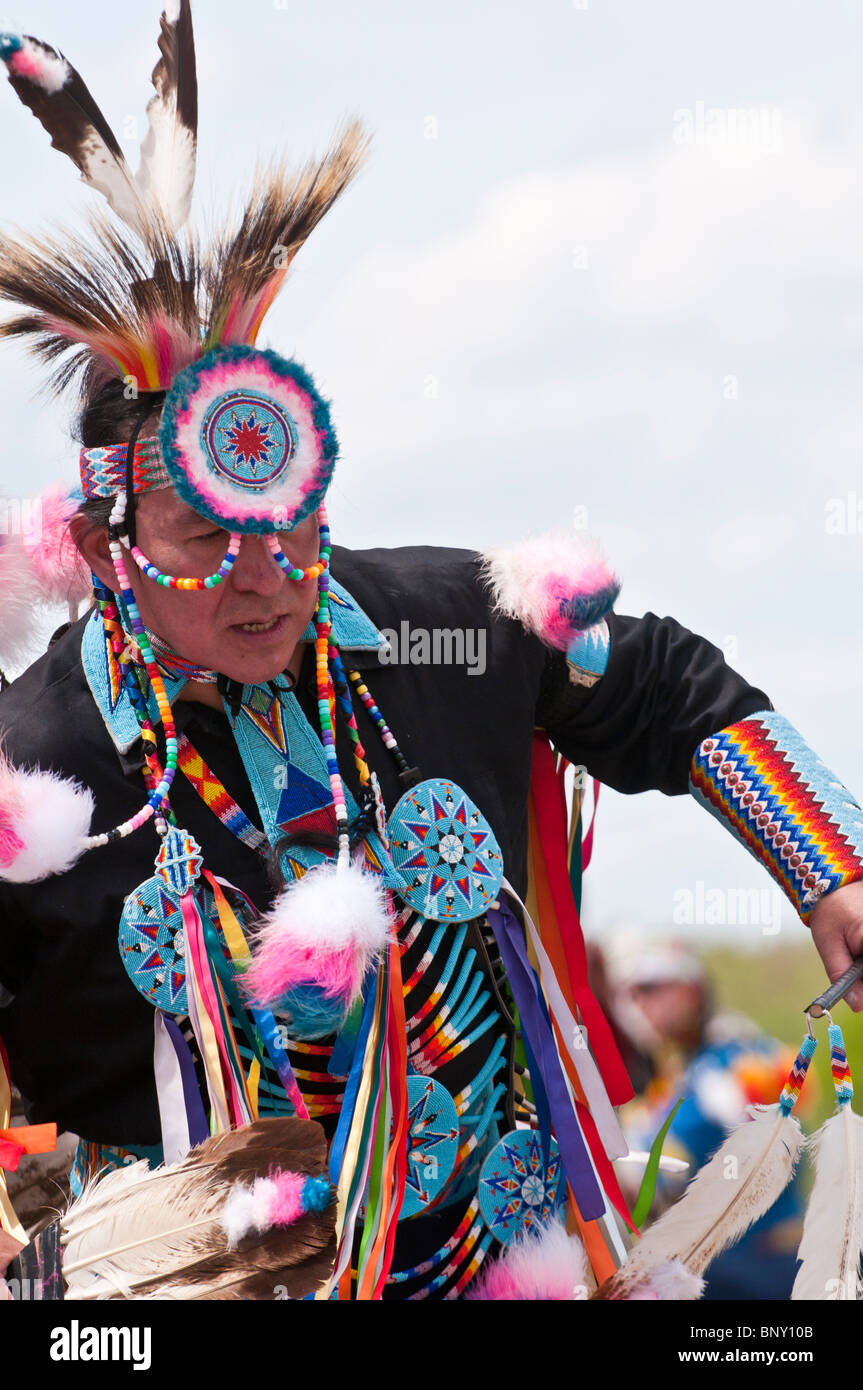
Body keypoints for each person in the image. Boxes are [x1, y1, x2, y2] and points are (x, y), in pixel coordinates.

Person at [1, 5, 862, 1301]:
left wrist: (827, 865)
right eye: (204, 533)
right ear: (103, 537)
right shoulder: (38, 770)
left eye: (290, 524)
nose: (263, 573)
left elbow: (659, 684)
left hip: (497, 1264)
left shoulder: (438, 625)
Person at [605, 939, 809, 1300]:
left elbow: (650, 1174)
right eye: (630, 991)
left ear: (692, 991)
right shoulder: (682, 1071)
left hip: (757, 1272)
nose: (637, 1002)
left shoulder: (729, 1067)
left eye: (651, 987)